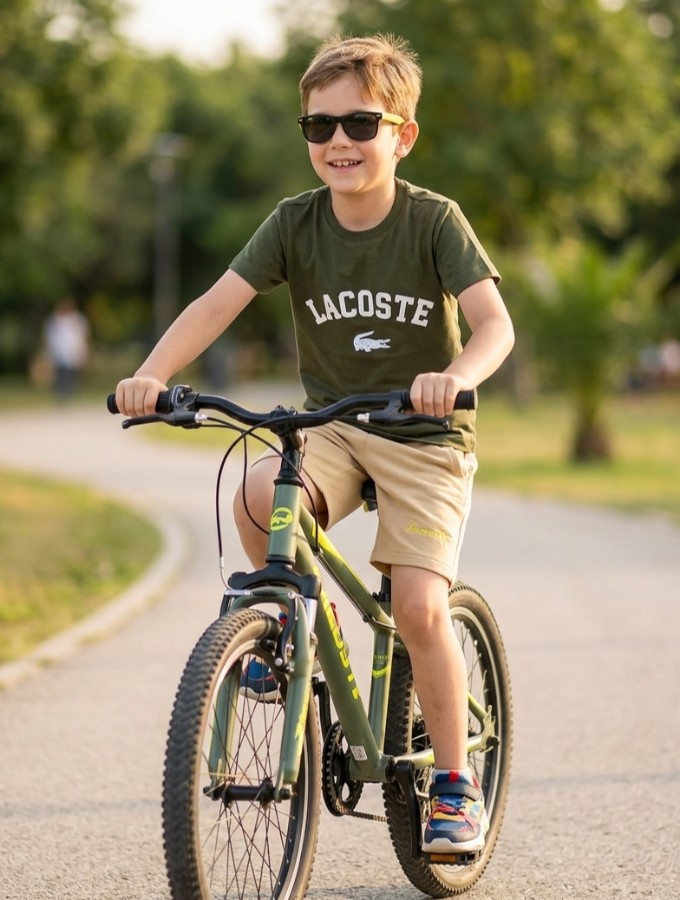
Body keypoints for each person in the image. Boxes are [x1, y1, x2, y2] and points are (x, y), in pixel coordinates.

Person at [115, 33, 514, 855]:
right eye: (319, 126)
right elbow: (215, 303)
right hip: (335, 422)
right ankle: (297, 627)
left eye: (361, 124)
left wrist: (456, 374)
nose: (338, 141)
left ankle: (452, 785)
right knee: (258, 491)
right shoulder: (293, 223)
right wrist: (150, 374)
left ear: (402, 135)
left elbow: (493, 324)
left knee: (416, 606)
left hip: (424, 434)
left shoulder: (432, 220)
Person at [43, 298, 91, 400]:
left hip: (72, 351)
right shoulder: (55, 321)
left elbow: (82, 336)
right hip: (59, 352)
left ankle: (69, 393)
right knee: (60, 374)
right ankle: (61, 394)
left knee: (71, 374)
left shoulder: (78, 320)